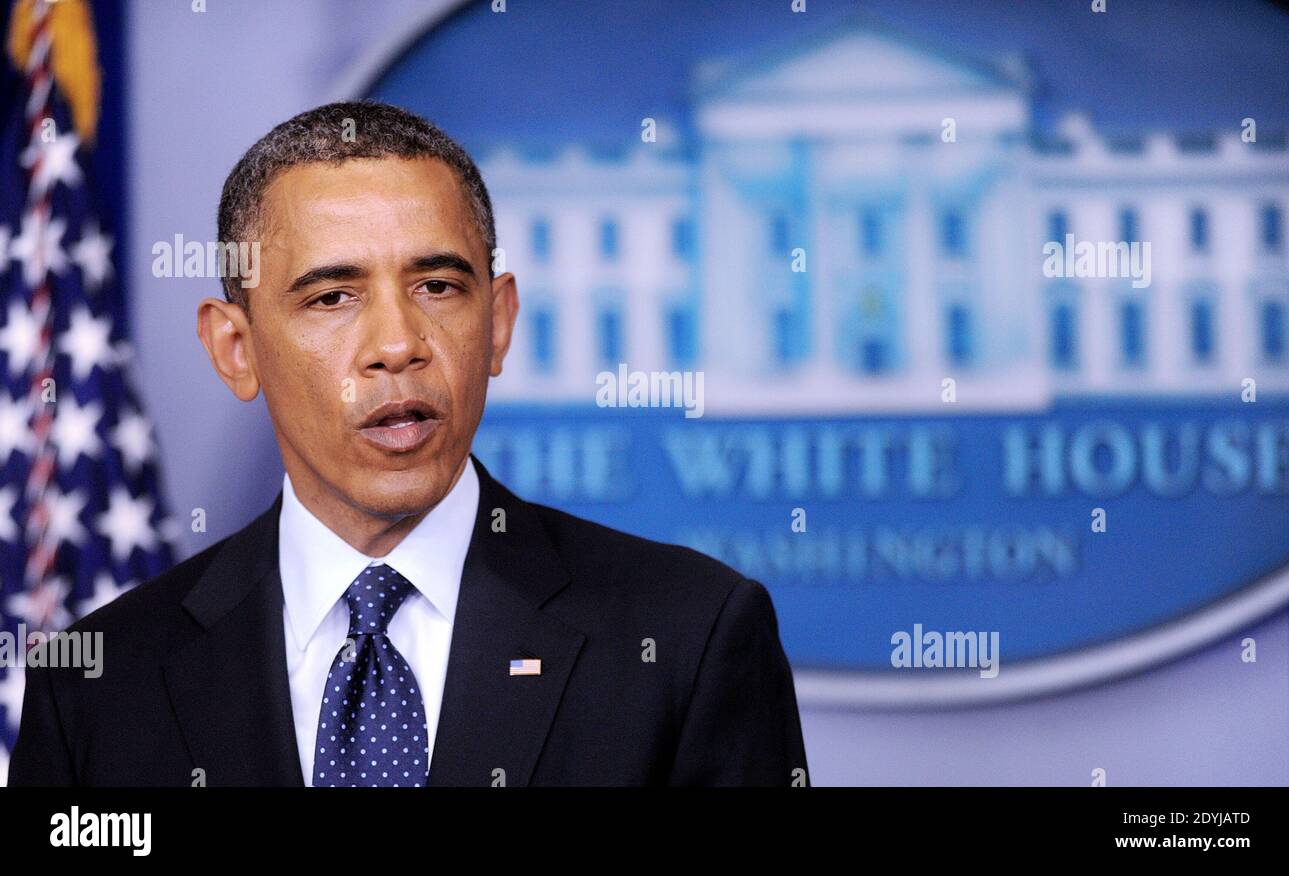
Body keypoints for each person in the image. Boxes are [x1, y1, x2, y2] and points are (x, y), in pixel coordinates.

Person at [9, 101, 809, 787]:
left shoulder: (688, 639)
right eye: (332, 296)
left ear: (498, 323)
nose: (398, 343)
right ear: (235, 349)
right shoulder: (95, 686)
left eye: (438, 287)